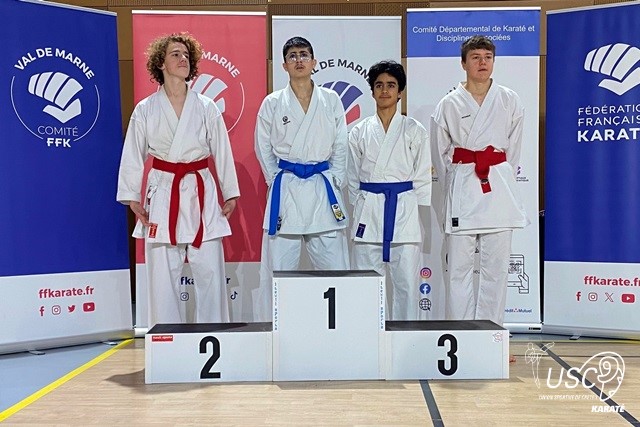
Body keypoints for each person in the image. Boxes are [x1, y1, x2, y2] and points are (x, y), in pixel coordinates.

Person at [117, 33, 240, 327]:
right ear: (161, 63)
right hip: (163, 190)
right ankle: (166, 337)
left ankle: (214, 333)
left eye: (186, 55)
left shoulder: (206, 106)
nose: (183, 59)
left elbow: (222, 150)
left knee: (210, 270)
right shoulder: (146, 109)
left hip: (200, 189)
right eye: (175, 54)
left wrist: (230, 192)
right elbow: (133, 153)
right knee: (162, 274)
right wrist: (132, 197)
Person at [430, 35, 529, 340]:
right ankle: (459, 335)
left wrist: (499, 175)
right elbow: (440, 156)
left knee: (496, 270)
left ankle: (491, 337)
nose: (482, 62)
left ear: (493, 61)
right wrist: (458, 181)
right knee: (458, 269)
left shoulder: (509, 99)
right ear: (463, 63)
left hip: (498, 188)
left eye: (487, 57)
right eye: (475, 57)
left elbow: (513, 152)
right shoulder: (448, 104)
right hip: (463, 187)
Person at [254, 36, 350, 321]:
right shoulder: (272, 103)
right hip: (288, 188)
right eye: (292, 56)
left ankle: (340, 326)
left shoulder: (330, 100)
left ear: (314, 62)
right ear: (284, 65)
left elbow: (341, 144)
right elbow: (262, 146)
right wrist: (276, 179)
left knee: (335, 267)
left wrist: (335, 179)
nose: (299, 60)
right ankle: (275, 329)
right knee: (279, 269)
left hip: (322, 187)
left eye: (304, 54)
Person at [347, 60, 431, 320]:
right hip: (369, 210)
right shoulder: (359, 131)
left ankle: (406, 336)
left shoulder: (414, 130)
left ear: (400, 91)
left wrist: (415, 213)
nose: (385, 90)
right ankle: (369, 334)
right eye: (379, 85)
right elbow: (352, 177)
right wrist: (361, 207)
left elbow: (422, 176)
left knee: (407, 284)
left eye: (391, 85)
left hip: (403, 211)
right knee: (367, 284)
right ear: (372, 91)